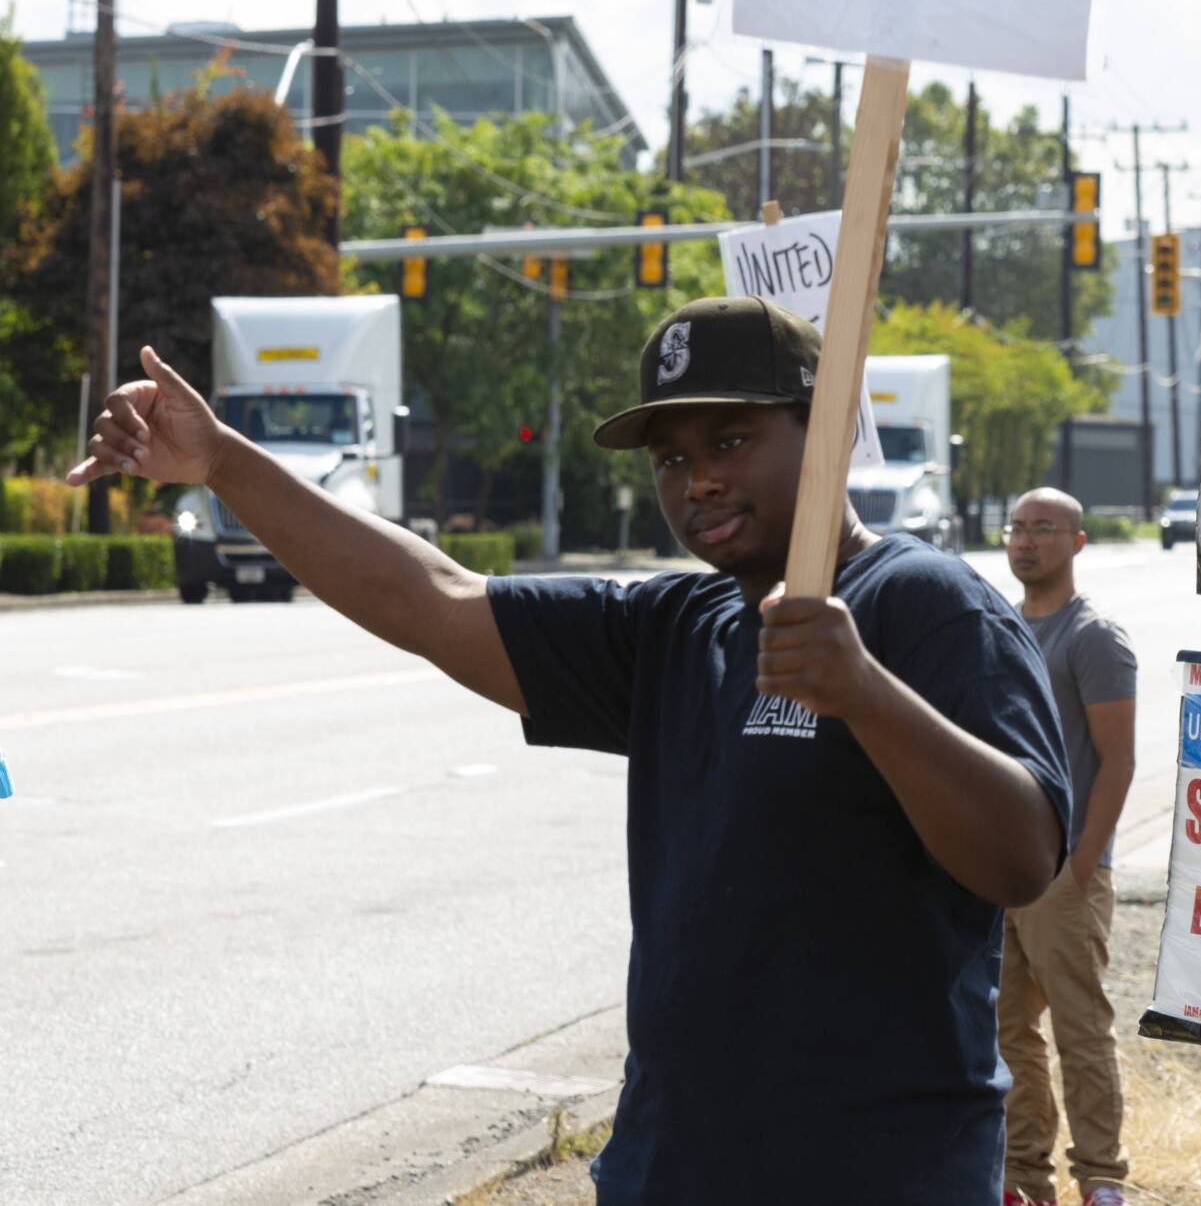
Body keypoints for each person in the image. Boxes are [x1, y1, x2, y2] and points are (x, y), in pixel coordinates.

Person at [71, 298, 1072, 1204]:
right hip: (672, 1170)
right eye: (671, 458)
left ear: (828, 435)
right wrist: (225, 464)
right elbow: (434, 601)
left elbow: (1020, 857)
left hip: (875, 1175)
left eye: (730, 438)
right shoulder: (679, 626)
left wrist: (866, 695)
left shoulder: (924, 603)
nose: (700, 479)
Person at [997, 487, 1140, 1206]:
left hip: (1066, 872)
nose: (1026, 541)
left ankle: (1102, 1178)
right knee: (1007, 1030)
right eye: (1017, 527)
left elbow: (1118, 759)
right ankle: (1024, 1175)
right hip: (1000, 868)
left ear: (1077, 542)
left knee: (1080, 1028)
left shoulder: (1094, 636)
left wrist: (1084, 862)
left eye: (1044, 528)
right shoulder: (1002, 628)